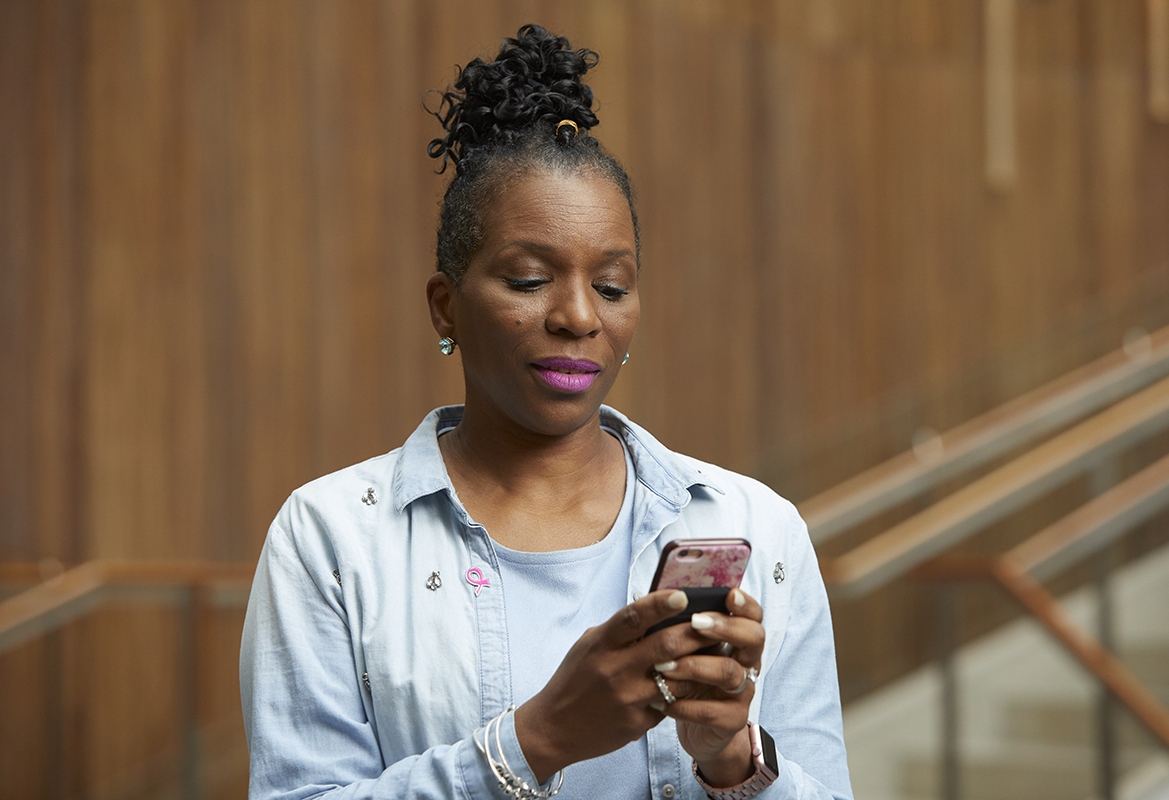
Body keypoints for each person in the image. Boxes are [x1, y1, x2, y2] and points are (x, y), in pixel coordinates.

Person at [240, 24, 853, 800]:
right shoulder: (330, 540)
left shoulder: (758, 529)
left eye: (614, 284)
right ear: (445, 308)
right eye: (529, 279)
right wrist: (536, 741)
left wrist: (732, 759)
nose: (577, 316)